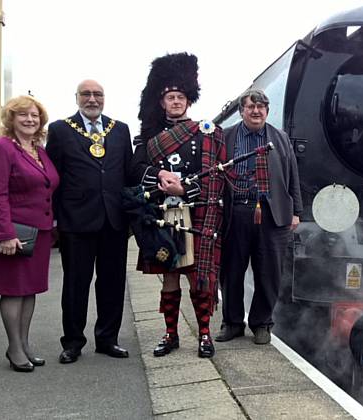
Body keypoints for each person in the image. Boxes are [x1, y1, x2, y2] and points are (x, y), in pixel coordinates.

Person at [130, 52, 227, 358]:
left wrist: (185, 187)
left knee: (198, 278)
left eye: (180, 97)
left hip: (195, 211)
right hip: (162, 214)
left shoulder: (206, 132)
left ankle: (204, 334)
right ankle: (171, 334)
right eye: (170, 97)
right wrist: (159, 175)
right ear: (162, 103)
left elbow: (217, 174)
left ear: (188, 100)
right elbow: (134, 171)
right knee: (170, 275)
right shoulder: (149, 137)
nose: (175, 101)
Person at [46, 80, 133, 363]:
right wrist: (55, 219)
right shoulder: (60, 130)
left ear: (104, 98)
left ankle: (108, 339)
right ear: (77, 98)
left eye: (98, 94)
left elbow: (128, 174)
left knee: (112, 283)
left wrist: (132, 215)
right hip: (76, 220)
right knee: (75, 284)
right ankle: (72, 342)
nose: (92, 99)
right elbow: (53, 178)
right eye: (86, 94)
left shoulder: (120, 129)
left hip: (114, 220)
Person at [0, 96, 59, 372]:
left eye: (35, 115)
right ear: (10, 119)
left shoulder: (38, 150)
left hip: (39, 231)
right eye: (23, 115)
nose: (30, 120)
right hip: (12, 231)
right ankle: (14, 347)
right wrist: (4, 234)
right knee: (13, 290)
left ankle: (24, 344)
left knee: (29, 289)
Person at [216, 89, 303, 345]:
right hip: (236, 212)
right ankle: (232, 323)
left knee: (270, 273)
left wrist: (297, 212)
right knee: (231, 271)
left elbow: (293, 176)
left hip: (272, 214)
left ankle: (261, 323)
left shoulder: (281, 138)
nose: (256, 111)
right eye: (251, 107)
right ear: (242, 110)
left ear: (267, 110)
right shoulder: (226, 136)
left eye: (261, 107)